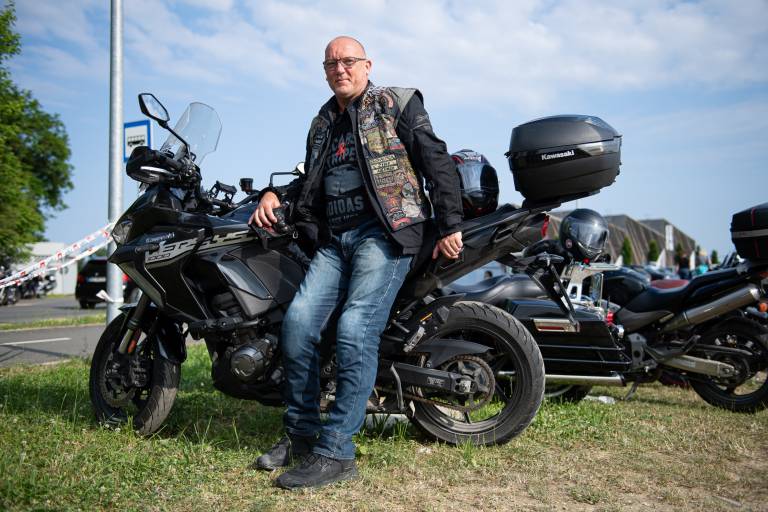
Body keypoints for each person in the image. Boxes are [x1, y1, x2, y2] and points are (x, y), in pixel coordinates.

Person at [248, 36, 464, 489]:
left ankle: (337, 452)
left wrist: (449, 224)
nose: (339, 69)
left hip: (384, 234)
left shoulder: (394, 103)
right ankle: (302, 435)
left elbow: (436, 159)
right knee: (298, 325)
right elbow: (310, 181)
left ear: (367, 65)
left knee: (354, 329)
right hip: (335, 241)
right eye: (331, 64)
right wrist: (273, 195)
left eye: (348, 61)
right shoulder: (322, 122)